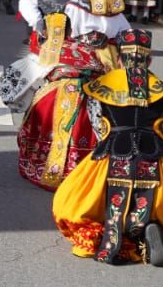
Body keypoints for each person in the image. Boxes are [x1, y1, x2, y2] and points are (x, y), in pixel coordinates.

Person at [51, 29, 163, 264]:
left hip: (112, 160)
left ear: (119, 59)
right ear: (149, 60)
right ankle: (150, 225)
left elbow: (100, 132)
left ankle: (115, 229)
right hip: (156, 164)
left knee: (71, 203)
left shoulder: (100, 89)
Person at [15, 11, 116, 191]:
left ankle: (43, 165)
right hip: (87, 97)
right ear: (70, 31)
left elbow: (24, 79)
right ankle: (81, 170)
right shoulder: (87, 49)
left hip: (53, 96)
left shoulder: (44, 50)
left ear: (47, 32)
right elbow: (104, 72)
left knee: (39, 114)